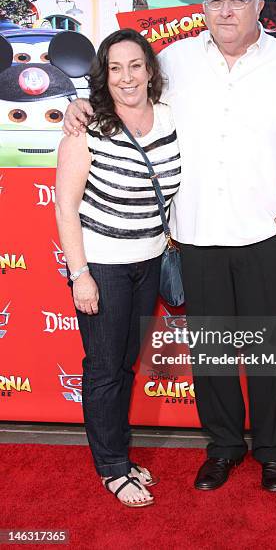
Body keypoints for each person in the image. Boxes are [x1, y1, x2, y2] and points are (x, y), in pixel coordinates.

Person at [63, 0, 276, 493]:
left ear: (259, 5)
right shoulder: (175, 60)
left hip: (267, 234)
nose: (225, 11)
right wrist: (80, 105)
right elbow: (127, 98)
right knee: (213, 352)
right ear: (204, 8)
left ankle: (271, 451)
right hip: (194, 235)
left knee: (265, 350)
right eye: (214, 1)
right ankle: (222, 448)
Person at [56, 28, 180, 507]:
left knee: (125, 365)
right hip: (103, 266)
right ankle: (110, 468)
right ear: (102, 77)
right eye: (114, 68)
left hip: (149, 262)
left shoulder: (171, 117)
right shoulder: (87, 128)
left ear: (150, 70)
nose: (126, 77)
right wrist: (80, 274)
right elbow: (66, 208)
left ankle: (119, 456)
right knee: (105, 369)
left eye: (135, 65)